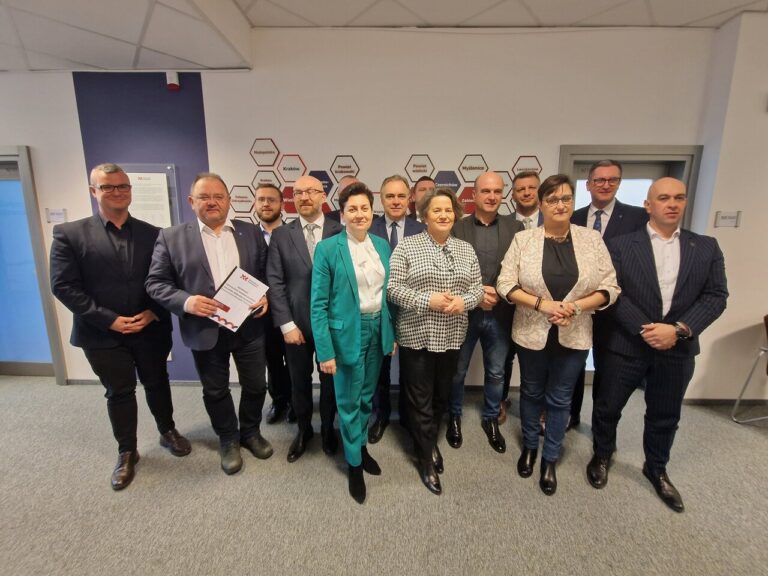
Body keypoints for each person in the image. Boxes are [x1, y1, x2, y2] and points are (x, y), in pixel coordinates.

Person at [587, 177, 727, 513]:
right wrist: (646, 329)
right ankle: (602, 454)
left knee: (665, 414)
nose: (672, 204)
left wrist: (678, 329)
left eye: (679, 197)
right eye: (663, 198)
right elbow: (611, 292)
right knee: (607, 406)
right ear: (648, 205)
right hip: (626, 344)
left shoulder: (706, 247)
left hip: (677, 348)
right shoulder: (620, 245)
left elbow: (715, 296)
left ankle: (656, 468)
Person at [50, 163, 191, 490]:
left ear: (130, 190)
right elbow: (63, 286)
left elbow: (167, 280)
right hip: (101, 332)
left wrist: (154, 312)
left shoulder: (154, 234)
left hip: (149, 327)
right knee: (119, 391)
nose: (117, 192)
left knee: (157, 382)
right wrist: (109, 319)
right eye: (108, 187)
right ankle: (127, 450)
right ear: (94, 191)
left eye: (123, 186)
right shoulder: (70, 234)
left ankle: (167, 431)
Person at [497, 174, 620, 496]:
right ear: (541, 204)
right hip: (531, 331)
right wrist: (543, 305)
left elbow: (610, 287)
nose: (560, 205)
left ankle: (550, 457)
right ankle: (530, 447)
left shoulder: (592, 240)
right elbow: (505, 283)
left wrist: (575, 307)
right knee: (531, 392)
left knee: (560, 398)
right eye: (552, 199)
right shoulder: (524, 240)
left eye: (566, 198)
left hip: (574, 332)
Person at [145, 173, 272, 475]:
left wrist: (265, 296)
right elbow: (155, 283)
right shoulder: (172, 237)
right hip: (204, 329)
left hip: (248, 326)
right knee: (215, 390)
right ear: (192, 201)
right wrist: (187, 301)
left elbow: (265, 271)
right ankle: (228, 438)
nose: (212, 202)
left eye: (218, 196)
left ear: (229, 200)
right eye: (204, 197)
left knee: (256, 384)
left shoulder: (250, 232)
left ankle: (250, 432)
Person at [387, 187, 483, 496]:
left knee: (442, 396)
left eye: (448, 210)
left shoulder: (466, 249)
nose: (443, 215)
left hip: (452, 336)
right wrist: (427, 299)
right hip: (417, 334)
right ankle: (425, 457)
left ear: (456, 215)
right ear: (425, 216)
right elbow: (393, 288)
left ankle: (427, 440)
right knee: (420, 399)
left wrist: (464, 302)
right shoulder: (407, 246)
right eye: (436, 210)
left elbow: (478, 289)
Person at [311, 182, 396, 504]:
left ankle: (359, 446)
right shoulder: (328, 249)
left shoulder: (381, 245)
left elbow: (388, 295)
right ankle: (354, 464)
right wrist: (325, 352)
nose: (359, 214)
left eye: (364, 208)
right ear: (342, 214)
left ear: (372, 211)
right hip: (346, 334)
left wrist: (390, 334)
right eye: (352, 209)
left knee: (365, 397)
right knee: (348, 402)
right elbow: (318, 305)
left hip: (377, 329)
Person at [267, 175, 343, 462]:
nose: (304, 197)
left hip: (331, 325)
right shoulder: (281, 235)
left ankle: (327, 428)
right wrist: (286, 325)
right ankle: (303, 430)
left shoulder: (340, 232)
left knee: (330, 382)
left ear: (323, 195)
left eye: (311, 191)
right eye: (298, 192)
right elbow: (275, 282)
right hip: (295, 326)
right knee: (298, 381)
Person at [447, 172, 524, 453]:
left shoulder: (516, 228)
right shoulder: (457, 227)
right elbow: (449, 268)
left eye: (497, 191)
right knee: (457, 371)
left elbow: (520, 269)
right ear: (474, 194)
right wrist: (477, 294)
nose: (492, 197)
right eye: (486, 191)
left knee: (496, 372)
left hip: (501, 311)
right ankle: (454, 416)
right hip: (465, 312)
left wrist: (498, 293)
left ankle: (491, 417)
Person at [569, 160, 648, 429]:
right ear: (588, 184)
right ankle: (571, 415)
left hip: (615, 308)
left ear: (619, 183)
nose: (605, 185)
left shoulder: (638, 218)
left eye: (612, 180)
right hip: (577, 307)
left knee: (607, 369)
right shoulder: (574, 217)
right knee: (573, 365)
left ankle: (600, 424)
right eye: (599, 180)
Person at [368, 174, 425, 443]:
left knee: (411, 369)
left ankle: (406, 416)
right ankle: (380, 415)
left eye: (401, 195)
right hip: (379, 308)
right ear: (381, 199)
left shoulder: (421, 229)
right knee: (379, 369)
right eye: (389, 196)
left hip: (413, 309)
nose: (395, 201)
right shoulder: (368, 228)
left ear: (410, 198)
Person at [502, 170, 543, 425]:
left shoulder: (554, 222)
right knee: (505, 357)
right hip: (509, 303)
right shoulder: (505, 223)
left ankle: (540, 408)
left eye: (531, 188)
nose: (526, 193)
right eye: (520, 189)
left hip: (545, 308)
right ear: (513, 194)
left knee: (541, 362)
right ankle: (502, 399)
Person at [254, 183, 294, 424]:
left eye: (271, 199)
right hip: (261, 312)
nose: (266, 204)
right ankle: (278, 400)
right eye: (261, 199)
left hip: (291, 309)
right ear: (255, 203)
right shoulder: (247, 236)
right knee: (272, 359)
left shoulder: (293, 234)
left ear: (282, 204)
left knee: (295, 360)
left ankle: (295, 402)